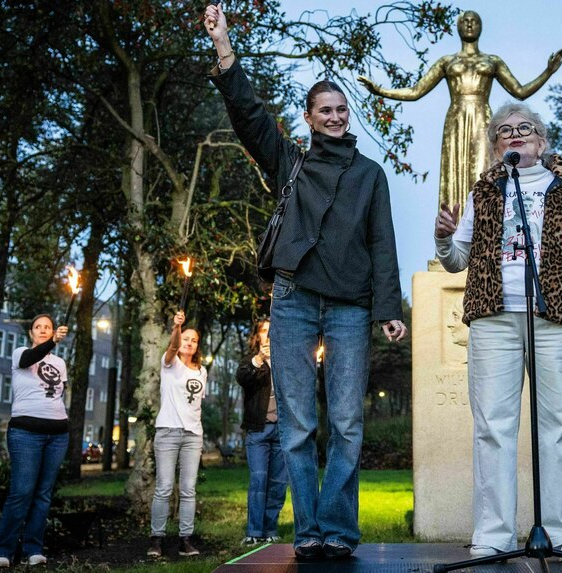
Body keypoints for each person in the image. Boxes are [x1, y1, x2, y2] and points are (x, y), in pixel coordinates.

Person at [203, 5, 408, 560]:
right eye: (325, 110)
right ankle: (308, 530)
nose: (336, 117)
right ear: (310, 118)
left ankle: (338, 530)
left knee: (346, 423)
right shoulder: (289, 162)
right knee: (296, 425)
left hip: (348, 307)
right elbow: (248, 115)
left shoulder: (370, 175)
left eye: (342, 109)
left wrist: (388, 308)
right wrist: (224, 47)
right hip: (292, 300)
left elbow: (382, 243)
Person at [433, 101, 562, 557]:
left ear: (542, 141)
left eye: (524, 128)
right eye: (504, 130)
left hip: (555, 318)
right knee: (492, 428)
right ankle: (493, 537)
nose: (514, 134)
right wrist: (443, 237)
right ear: (495, 147)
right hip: (493, 318)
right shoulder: (483, 191)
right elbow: (456, 260)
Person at [357, 10, 562, 212]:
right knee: (455, 169)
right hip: (456, 118)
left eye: (474, 21)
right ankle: (454, 222)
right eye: (465, 21)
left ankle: (485, 213)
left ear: (481, 27)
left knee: (484, 166)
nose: (469, 24)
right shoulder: (447, 62)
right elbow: (416, 91)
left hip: (481, 118)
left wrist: (547, 72)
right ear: (458, 27)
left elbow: (519, 91)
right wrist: (380, 91)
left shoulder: (492, 61)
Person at [0, 314, 71, 567]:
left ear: (53, 331)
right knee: (22, 492)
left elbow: (58, 393)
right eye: (38, 327)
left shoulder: (59, 362)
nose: (43, 330)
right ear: (31, 332)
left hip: (57, 434)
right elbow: (30, 359)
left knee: (43, 494)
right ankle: (1, 550)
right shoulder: (20, 353)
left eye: (48, 327)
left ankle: (33, 549)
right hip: (25, 433)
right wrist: (53, 342)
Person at [147, 310, 207, 558]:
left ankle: (185, 539)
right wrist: (177, 328)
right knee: (163, 487)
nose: (189, 342)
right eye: (186, 338)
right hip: (168, 432)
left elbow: (196, 403)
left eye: (194, 340)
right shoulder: (169, 363)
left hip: (193, 436)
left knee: (188, 489)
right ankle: (157, 540)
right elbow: (173, 346)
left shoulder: (201, 371)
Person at [236, 318, 288, 546]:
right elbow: (242, 377)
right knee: (259, 480)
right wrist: (259, 359)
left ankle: (270, 528)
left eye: (272, 329)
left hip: (283, 430)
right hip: (258, 431)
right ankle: (254, 531)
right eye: (264, 330)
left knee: (278, 483)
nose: (268, 333)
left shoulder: (285, 360)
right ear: (257, 336)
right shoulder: (250, 361)